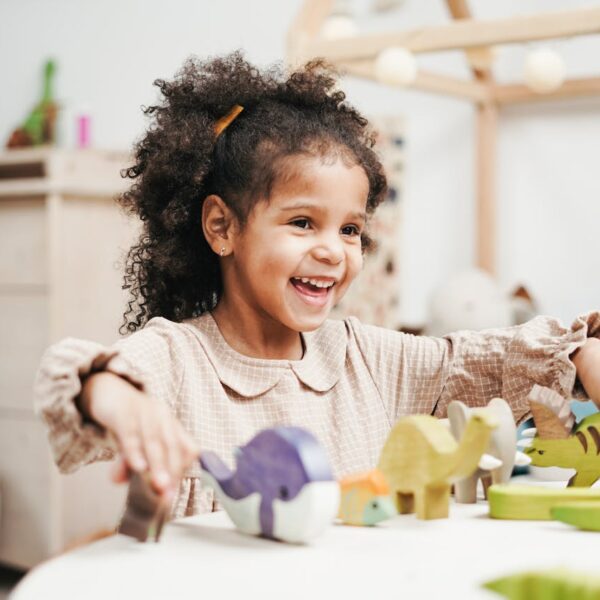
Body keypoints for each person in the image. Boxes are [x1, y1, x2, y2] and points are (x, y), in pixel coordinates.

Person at [34, 52, 600, 519]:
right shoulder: (177, 361)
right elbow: (71, 377)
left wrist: (581, 351)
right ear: (222, 227)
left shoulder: (368, 359)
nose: (333, 249)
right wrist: (115, 398)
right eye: (303, 222)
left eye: (350, 229)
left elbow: (489, 360)